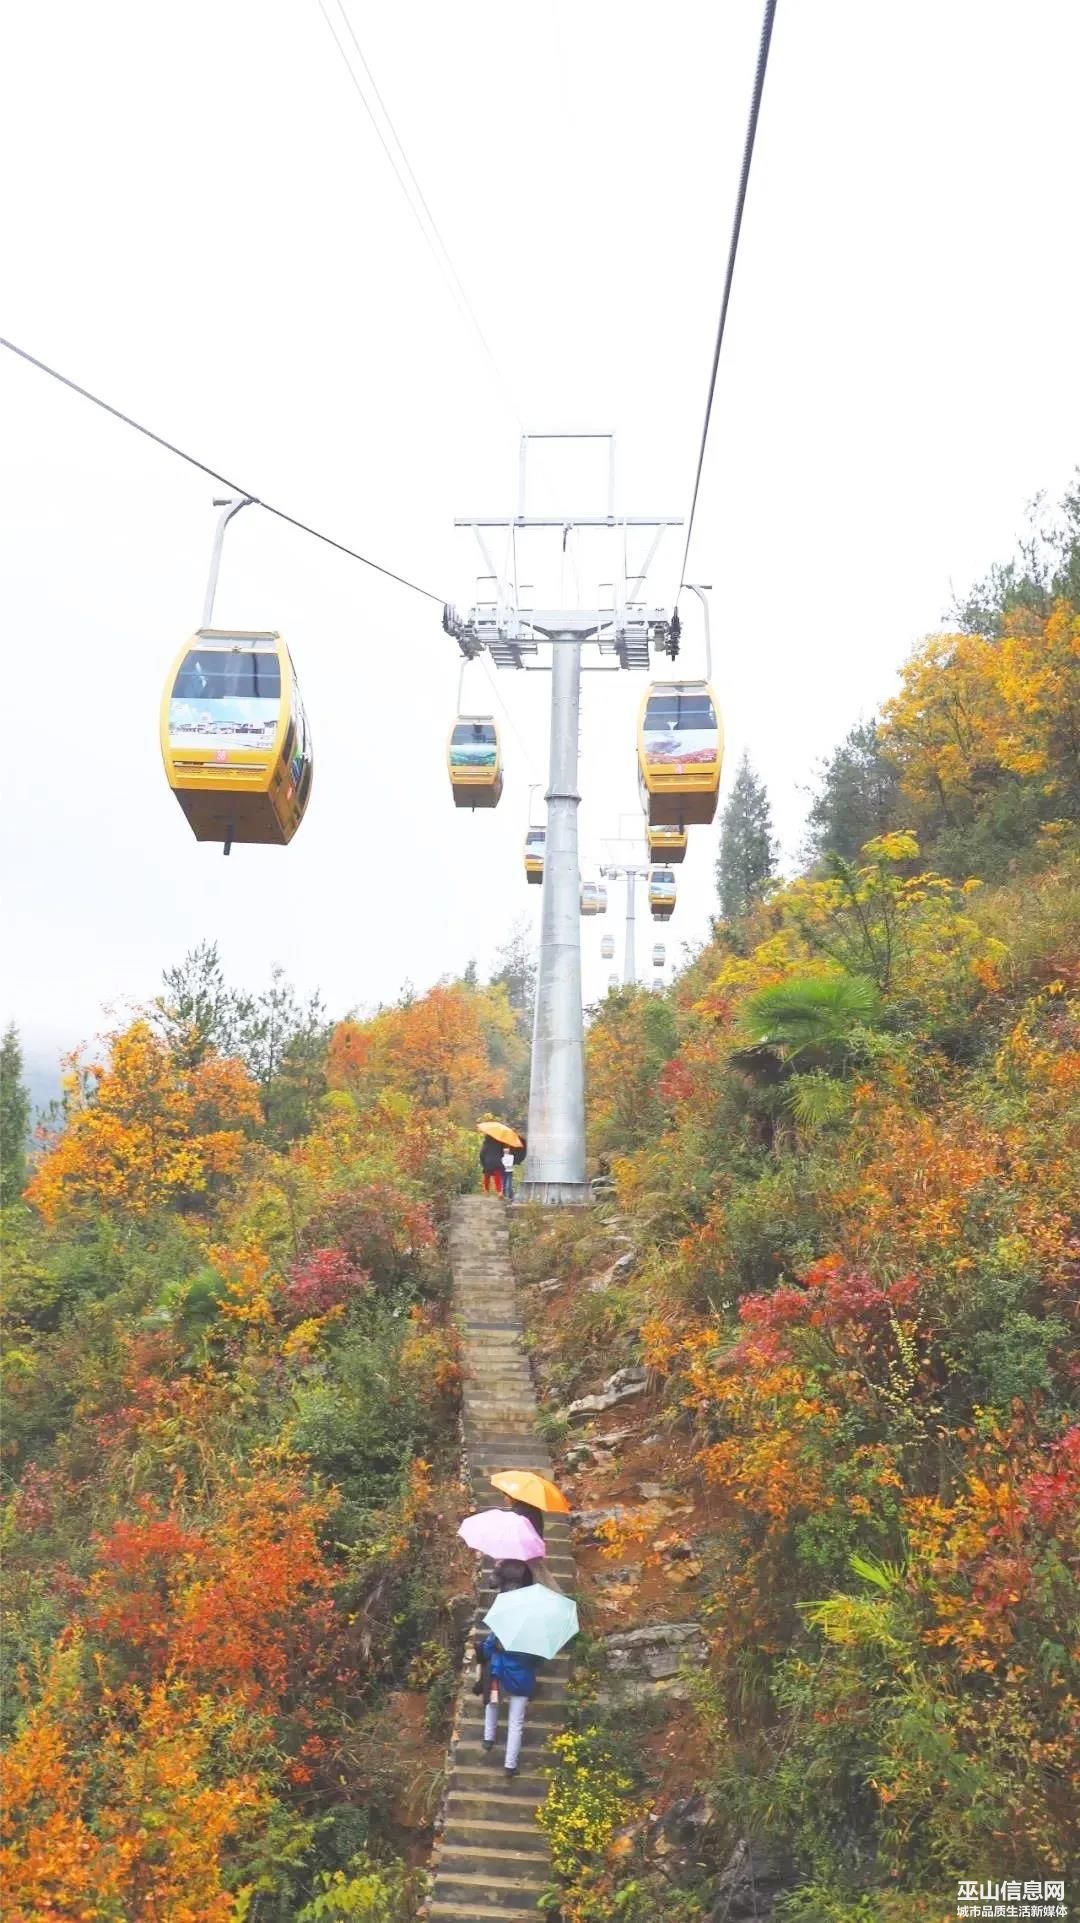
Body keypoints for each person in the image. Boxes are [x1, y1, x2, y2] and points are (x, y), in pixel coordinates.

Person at [473, 1561, 541, 1778]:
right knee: (516, 1723)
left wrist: (485, 1650)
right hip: (522, 1678)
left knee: (492, 1704)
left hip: (500, 1672)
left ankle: (488, 1738)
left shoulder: (503, 1625)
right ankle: (510, 1765)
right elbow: (537, 1660)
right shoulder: (534, 1634)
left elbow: (488, 1646)